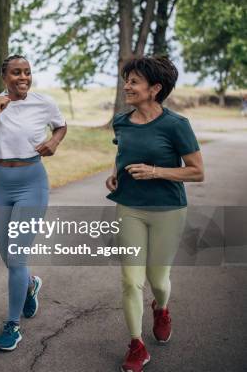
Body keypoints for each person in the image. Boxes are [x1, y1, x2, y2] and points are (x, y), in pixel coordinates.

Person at [105, 56, 204, 372]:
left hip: (167, 210)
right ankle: (136, 345)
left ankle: (161, 308)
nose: (127, 86)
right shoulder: (121, 121)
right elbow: (122, 153)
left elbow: (197, 172)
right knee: (131, 280)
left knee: (157, 279)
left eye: (134, 81)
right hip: (129, 207)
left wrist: (156, 171)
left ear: (155, 88)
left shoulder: (176, 125)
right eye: (127, 80)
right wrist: (115, 172)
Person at [0, 55, 67, 351]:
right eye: (16, 73)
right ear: (4, 77)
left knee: (16, 257)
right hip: (0, 182)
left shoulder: (43, 102)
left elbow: (61, 126)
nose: (23, 77)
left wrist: (53, 142)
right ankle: (30, 284)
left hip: (32, 182)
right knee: (10, 258)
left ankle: (12, 325)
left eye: (27, 72)